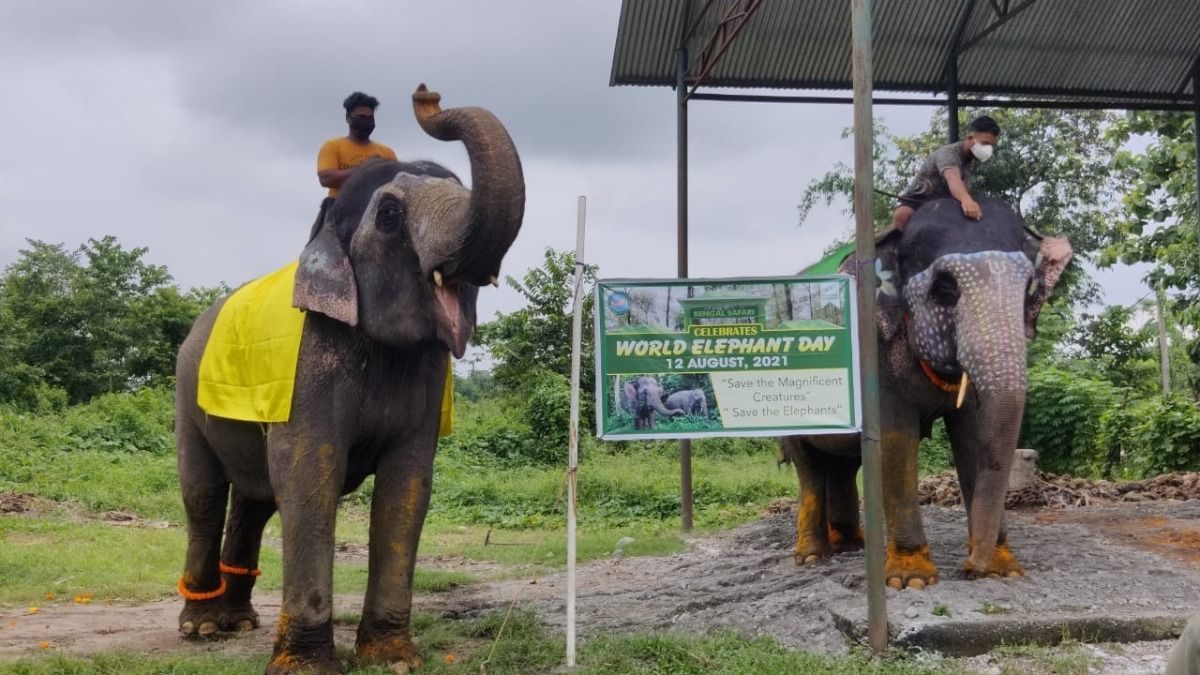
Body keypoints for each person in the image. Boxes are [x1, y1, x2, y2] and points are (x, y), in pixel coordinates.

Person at [892, 115, 1001, 230]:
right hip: (918, 202)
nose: (988, 149)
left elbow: (963, 186)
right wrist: (966, 200)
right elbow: (953, 178)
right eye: (985, 143)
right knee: (902, 215)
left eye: (991, 146)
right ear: (969, 138)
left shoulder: (972, 161)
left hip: (946, 206)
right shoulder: (948, 154)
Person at [316, 91, 398, 198]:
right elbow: (326, 179)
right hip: (339, 206)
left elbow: (398, 183)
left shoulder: (387, 153)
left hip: (376, 207)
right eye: (361, 117)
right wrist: (367, 168)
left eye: (370, 118)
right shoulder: (332, 146)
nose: (366, 122)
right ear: (348, 117)